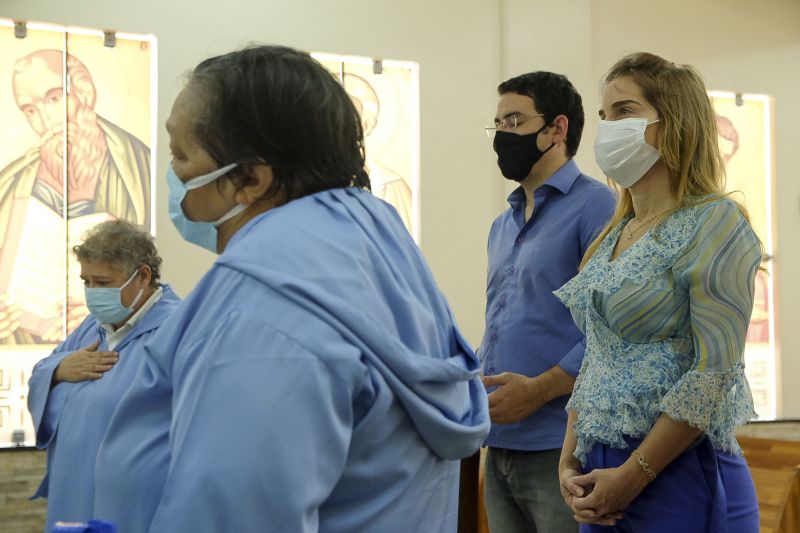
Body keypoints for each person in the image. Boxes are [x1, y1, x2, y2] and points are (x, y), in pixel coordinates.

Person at [93, 45, 489, 533]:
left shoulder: (268, 305)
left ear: (251, 179)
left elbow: (236, 511)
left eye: (181, 155)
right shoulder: (370, 240)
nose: (173, 175)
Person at [555, 52, 761, 532]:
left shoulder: (715, 223)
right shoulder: (617, 230)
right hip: (601, 466)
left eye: (624, 112)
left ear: (673, 124)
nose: (608, 127)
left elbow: (713, 372)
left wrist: (633, 475)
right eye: (604, 116)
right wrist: (568, 462)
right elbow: (596, 358)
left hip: (676, 467)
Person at [479, 72, 616, 532]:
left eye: (514, 120)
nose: (503, 134)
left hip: (560, 446)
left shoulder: (597, 207)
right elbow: (500, 323)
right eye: (497, 123)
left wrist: (538, 390)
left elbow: (610, 328)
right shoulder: (502, 224)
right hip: (498, 444)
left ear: (557, 129)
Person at [27, 220, 180, 533]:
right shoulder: (91, 326)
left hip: (138, 502)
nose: (92, 294)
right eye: (86, 282)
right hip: (74, 492)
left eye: (103, 282)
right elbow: (43, 371)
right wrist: (58, 371)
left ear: (143, 276)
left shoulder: (178, 329)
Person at [0, 49, 151, 344]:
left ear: (84, 92)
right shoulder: (12, 180)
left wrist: (106, 307)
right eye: (30, 110)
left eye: (54, 98)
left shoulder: (137, 167)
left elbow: (151, 273)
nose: (45, 119)